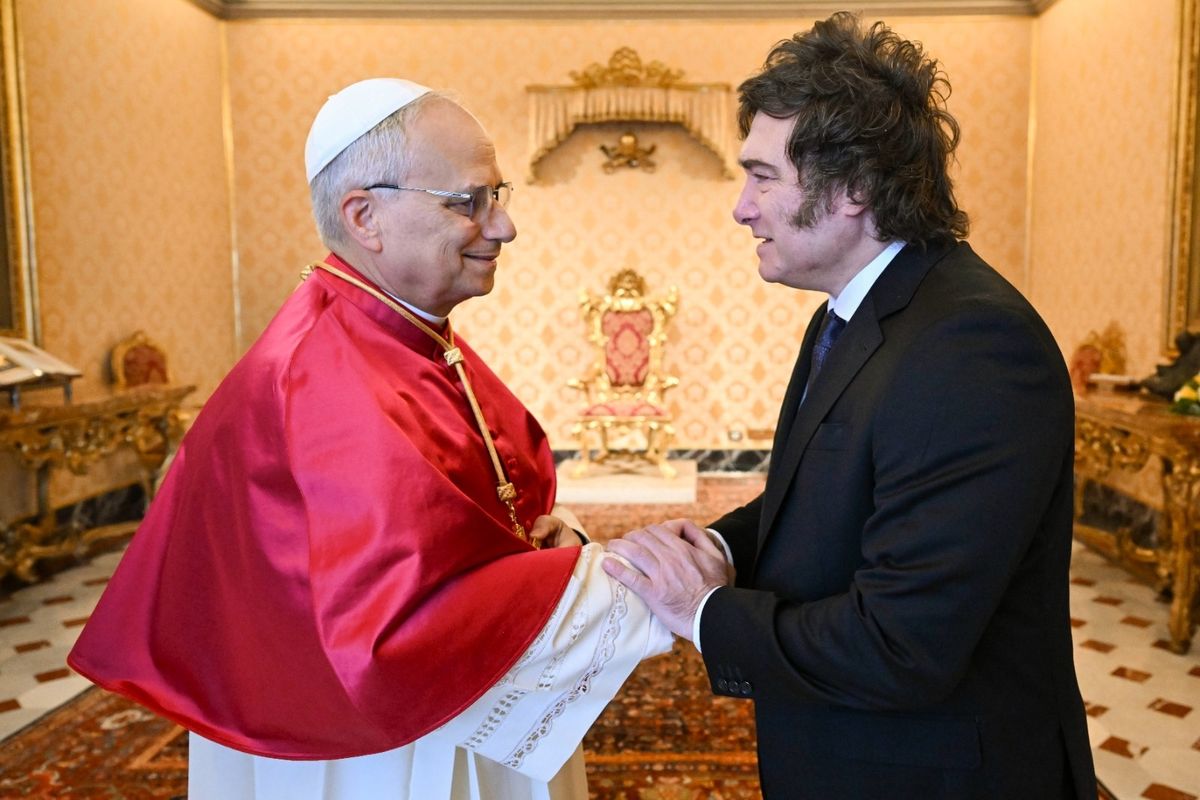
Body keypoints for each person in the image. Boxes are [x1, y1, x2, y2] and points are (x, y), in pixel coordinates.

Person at [68, 78, 671, 800]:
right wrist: (599, 575)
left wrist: (545, 542)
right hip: (365, 750)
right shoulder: (325, 376)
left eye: (498, 195)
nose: (504, 225)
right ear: (365, 216)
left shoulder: (398, 331)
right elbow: (397, 635)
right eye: (469, 202)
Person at [603, 13, 1096, 799]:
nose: (741, 207)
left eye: (762, 176)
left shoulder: (973, 347)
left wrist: (704, 611)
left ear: (855, 189)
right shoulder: (858, 308)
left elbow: (901, 647)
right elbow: (821, 502)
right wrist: (715, 547)